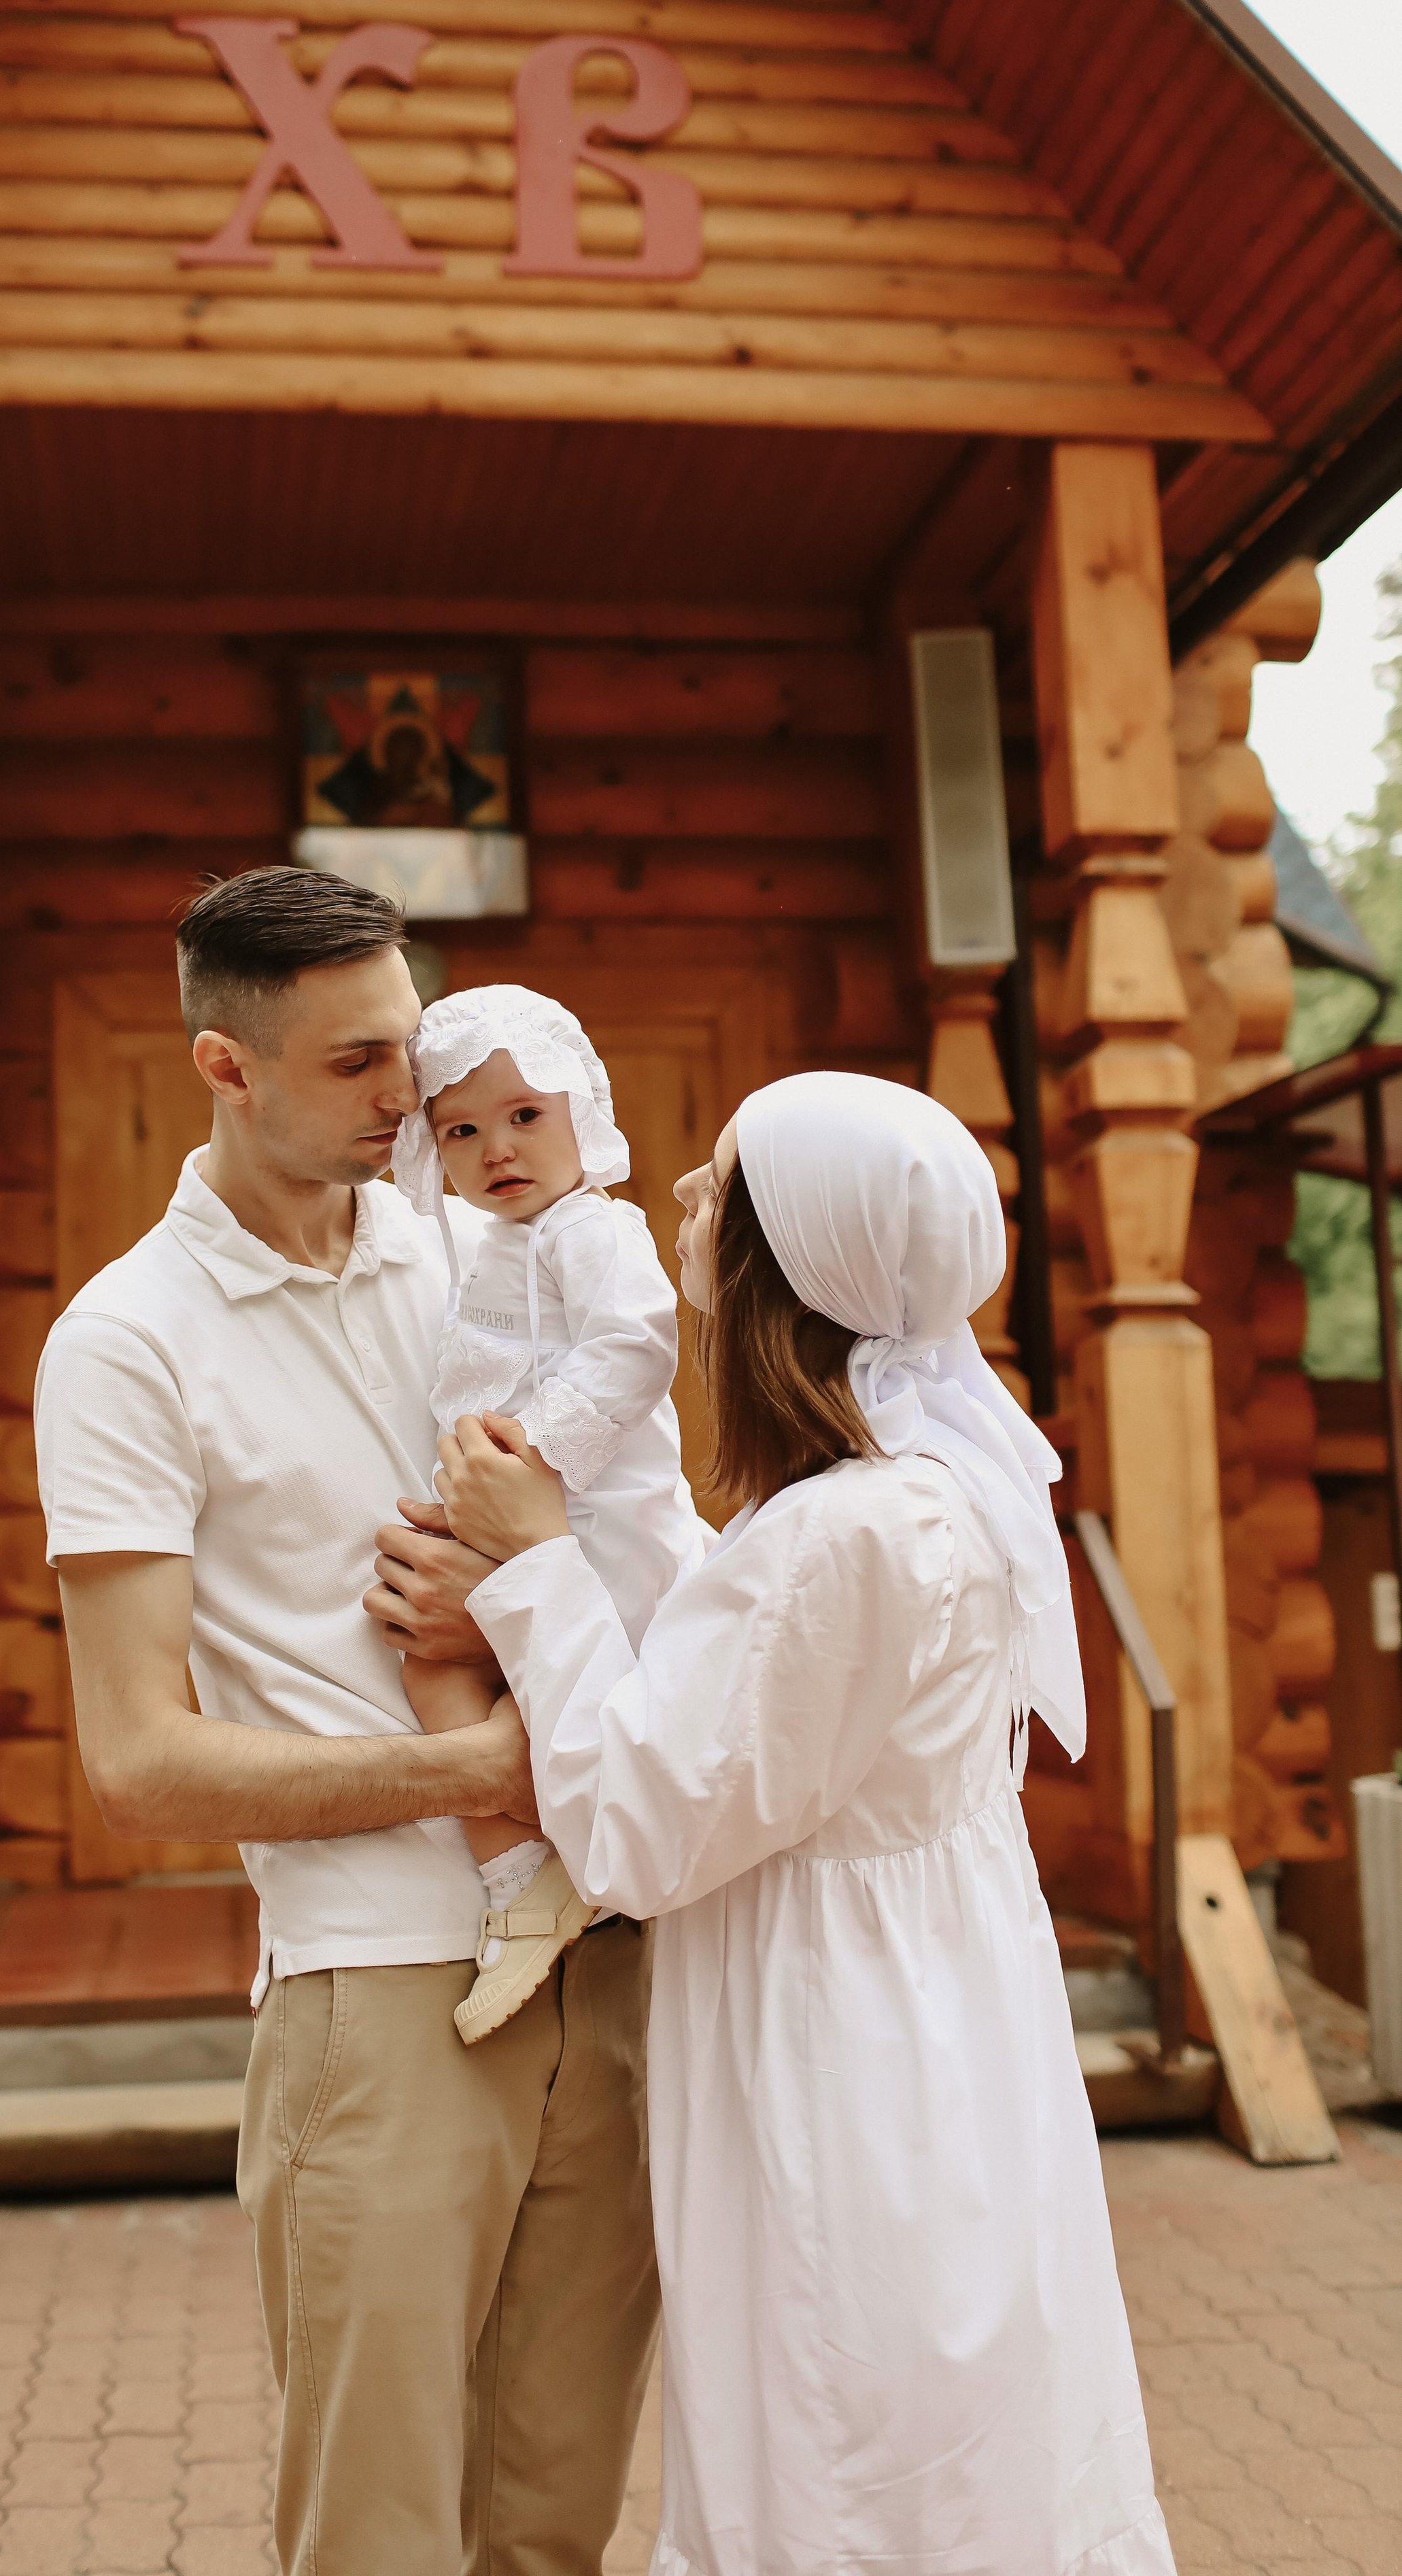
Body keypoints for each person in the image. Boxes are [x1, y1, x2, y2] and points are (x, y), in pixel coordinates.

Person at [436, 1070, 1177, 2576]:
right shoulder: (923, 1491)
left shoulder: (848, 1533)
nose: (681, 1202)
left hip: (840, 2066)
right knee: (948, 2441)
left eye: (718, 1186)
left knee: (845, 2451)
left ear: (788, 1262)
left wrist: (530, 1570)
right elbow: (764, 1693)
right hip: (933, 2034)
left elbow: (645, 1819)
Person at [33, 865, 658, 2576]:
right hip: (380, 1996)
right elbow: (139, 1764)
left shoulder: (491, 1232)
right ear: (224, 1068)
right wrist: (476, 1764)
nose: (417, 1097)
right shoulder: (123, 1344)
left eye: (418, 1051)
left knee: (552, 2523)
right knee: (376, 2540)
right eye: (362, 1064)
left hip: (608, 1952)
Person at [390, 983, 700, 2041]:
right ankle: (525, 1866)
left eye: (526, 1116)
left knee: (555, 1687)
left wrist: (534, 1452)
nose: (498, 1151)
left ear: (584, 1110)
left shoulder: (595, 1230)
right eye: (462, 1132)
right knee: (426, 1654)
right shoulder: (484, 1254)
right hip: (506, 1515)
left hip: (593, 1517)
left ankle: (556, 1866)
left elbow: (637, 1346)